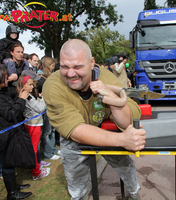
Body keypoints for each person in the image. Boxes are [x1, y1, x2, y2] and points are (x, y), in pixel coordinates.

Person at [42, 39, 146, 200]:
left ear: (91, 63)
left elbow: (128, 120)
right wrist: (121, 139)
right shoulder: (53, 86)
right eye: (64, 67)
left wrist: (110, 96)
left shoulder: (106, 77)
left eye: (77, 66)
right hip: (73, 136)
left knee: (124, 165)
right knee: (76, 181)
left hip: (103, 127)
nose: (70, 73)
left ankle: (134, 192)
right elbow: (76, 130)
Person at [0, 66, 32, 199]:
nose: (8, 78)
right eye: (5, 76)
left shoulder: (0, 92)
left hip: (9, 133)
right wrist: (21, 99)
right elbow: (11, 114)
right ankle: (12, 193)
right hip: (4, 134)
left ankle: (14, 186)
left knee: (10, 161)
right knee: (8, 163)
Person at [16, 75, 50, 180]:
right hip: (33, 125)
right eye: (30, 84)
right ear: (23, 84)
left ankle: (37, 167)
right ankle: (36, 173)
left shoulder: (25, 96)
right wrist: (43, 98)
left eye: (32, 84)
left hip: (32, 124)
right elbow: (40, 108)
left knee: (34, 149)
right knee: (33, 150)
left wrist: (39, 98)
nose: (32, 87)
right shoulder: (28, 97)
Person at [36, 57, 60, 160]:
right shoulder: (40, 78)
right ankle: (47, 153)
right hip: (45, 107)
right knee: (46, 132)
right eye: (51, 65)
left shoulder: (50, 76)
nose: (53, 67)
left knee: (53, 130)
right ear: (47, 65)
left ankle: (53, 149)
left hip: (53, 106)